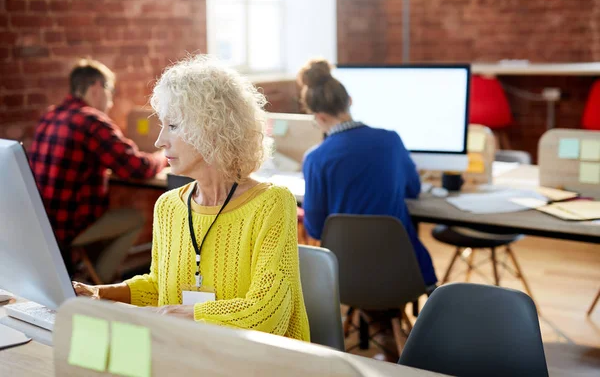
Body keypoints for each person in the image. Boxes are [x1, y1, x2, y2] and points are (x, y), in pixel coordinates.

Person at [73, 55, 310, 342]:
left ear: (212, 130)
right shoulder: (169, 206)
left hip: (256, 362)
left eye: (173, 126)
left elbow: (268, 314)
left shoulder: (271, 203)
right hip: (191, 352)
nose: (160, 141)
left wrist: (189, 316)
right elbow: (160, 287)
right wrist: (100, 292)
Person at [298, 59, 437, 287]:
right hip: (403, 271)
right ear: (350, 101)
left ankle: (367, 319)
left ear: (319, 117)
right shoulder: (391, 139)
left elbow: (314, 227)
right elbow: (414, 189)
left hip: (346, 279)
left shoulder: (315, 158)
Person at [29, 58, 166, 282]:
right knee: (135, 218)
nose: (111, 102)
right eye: (110, 92)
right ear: (96, 88)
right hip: (69, 228)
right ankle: (96, 283)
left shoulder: (50, 115)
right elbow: (137, 168)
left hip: (42, 223)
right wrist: (163, 157)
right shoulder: (91, 121)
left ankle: (86, 273)